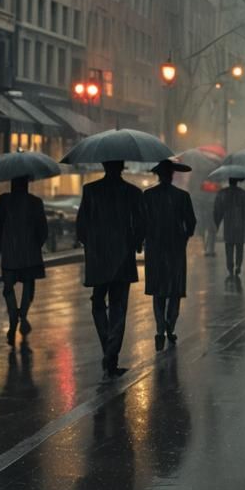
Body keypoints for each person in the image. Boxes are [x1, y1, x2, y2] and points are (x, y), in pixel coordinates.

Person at [76, 160, 146, 377]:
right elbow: (141, 224)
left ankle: (108, 346)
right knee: (118, 306)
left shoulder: (91, 190)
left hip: (98, 257)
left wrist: (91, 244)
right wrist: (135, 244)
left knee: (98, 302)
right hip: (123, 256)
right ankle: (111, 353)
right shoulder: (133, 192)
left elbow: (81, 225)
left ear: (104, 166)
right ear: (122, 167)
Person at [143, 160, 197, 351]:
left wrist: (143, 241)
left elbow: (142, 222)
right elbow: (191, 223)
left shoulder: (148, 196)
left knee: (158, 292)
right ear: (172, 175)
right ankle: (170, 327)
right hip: (175, 250)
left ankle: (160, 330)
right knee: (174, 291)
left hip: (155, 250)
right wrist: (184, 237)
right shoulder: (182, 196)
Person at [0, 176, 48, 345]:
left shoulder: (4, 200)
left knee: (8, 288)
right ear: (27, 183)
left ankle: (13, 319)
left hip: (10, 252)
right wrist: (36, 244)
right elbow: (43, 230)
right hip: (30, 253)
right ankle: (23, 316)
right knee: (28, 287)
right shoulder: (35, 202)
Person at [213, 177, 245, 278]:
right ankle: (238, 265)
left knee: (229, 245)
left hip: (228, 223)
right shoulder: (243, 193)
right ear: (237, 181)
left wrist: (217, 223)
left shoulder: (223, 193)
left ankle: (230, 267)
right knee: (239, 246)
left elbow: (217, 210)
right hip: (240, 224)